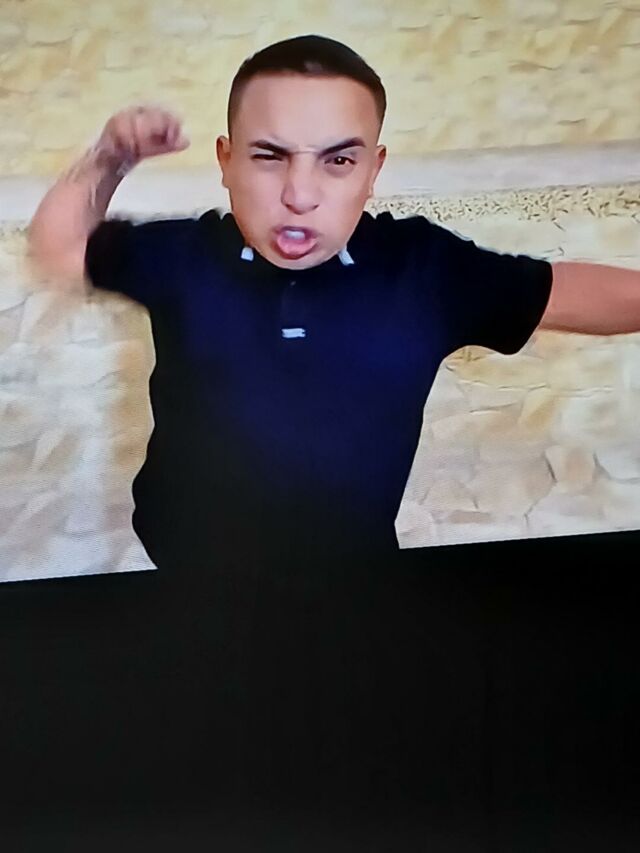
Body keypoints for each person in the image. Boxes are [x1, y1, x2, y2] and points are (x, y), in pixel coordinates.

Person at [23, 33, 640, 829]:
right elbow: (58, 246)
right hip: (188, 577)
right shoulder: (184, 256)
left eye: (338, 161)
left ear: (374, 170)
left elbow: (571, 290)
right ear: (226, 161)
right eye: (270, 157)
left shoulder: (424, 271)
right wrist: (112, 153)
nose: (300, 194)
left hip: (355, 585)